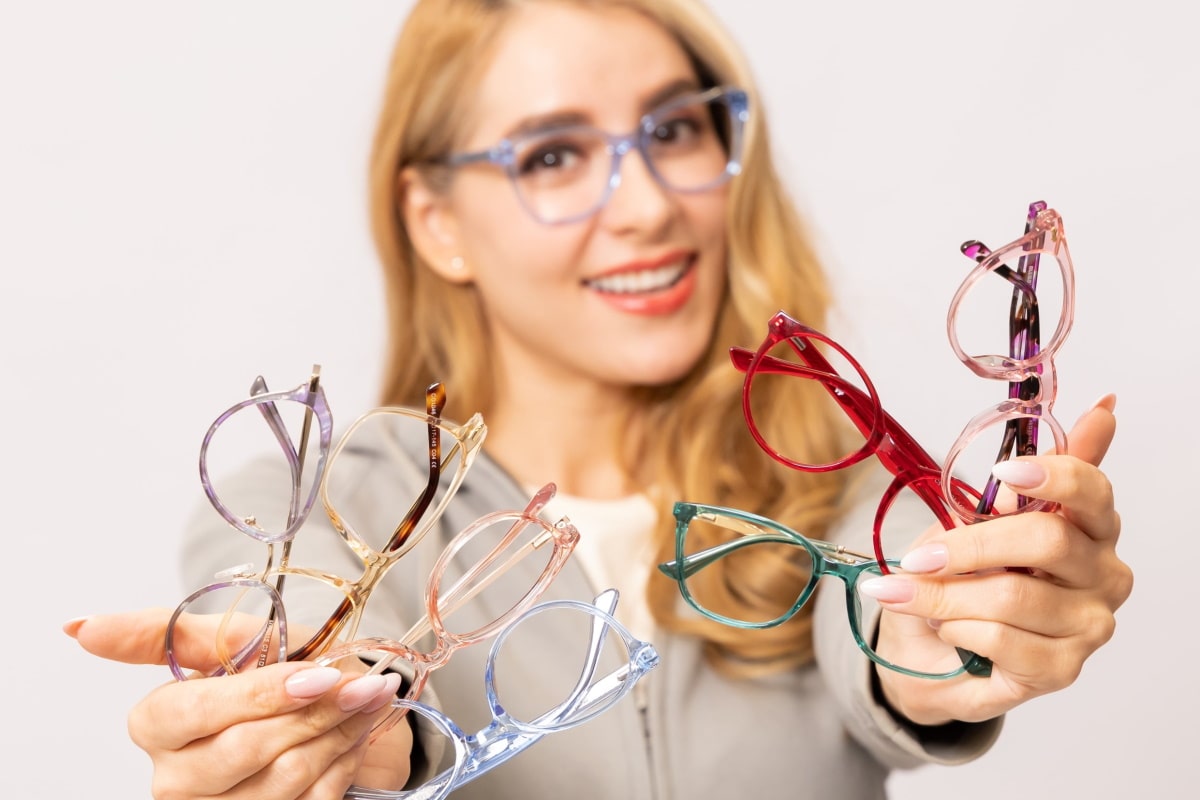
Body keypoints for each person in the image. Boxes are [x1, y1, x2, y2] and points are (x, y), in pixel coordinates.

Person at [65, 0, 1132, 798]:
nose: (648, 206)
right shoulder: (309, 496)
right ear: (434, 219)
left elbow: (891, 622)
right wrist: (333, 716)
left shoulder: (835, 483)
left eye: (674, 131)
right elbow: (300, 623)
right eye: (555, 154)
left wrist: (965, 630)